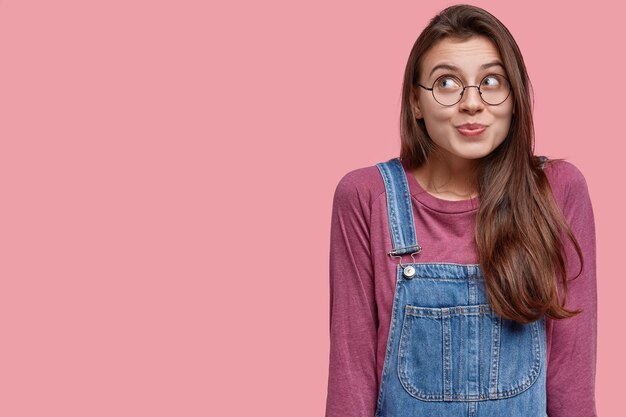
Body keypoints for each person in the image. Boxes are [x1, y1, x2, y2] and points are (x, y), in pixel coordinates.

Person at [325, 4, 597, 417]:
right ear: (416, 102)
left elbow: (571, 379)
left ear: (515, 96)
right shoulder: (367, 197)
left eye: (491, 81)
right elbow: (351, 376)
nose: (472, 103)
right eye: (447, 83)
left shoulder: (558, 191)